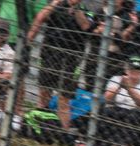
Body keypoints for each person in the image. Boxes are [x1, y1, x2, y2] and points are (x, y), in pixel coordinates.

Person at [28, 0, 100, 130]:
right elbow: (41, 17)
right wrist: (56, 2)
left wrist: (77, 9)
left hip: (72, 56)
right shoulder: (56, 4)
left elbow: (86, 26)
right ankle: (38, 127)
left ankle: (63, 132)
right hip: (50, 51)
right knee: (44, 93)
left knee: (64, 99)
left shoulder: (87, 8)